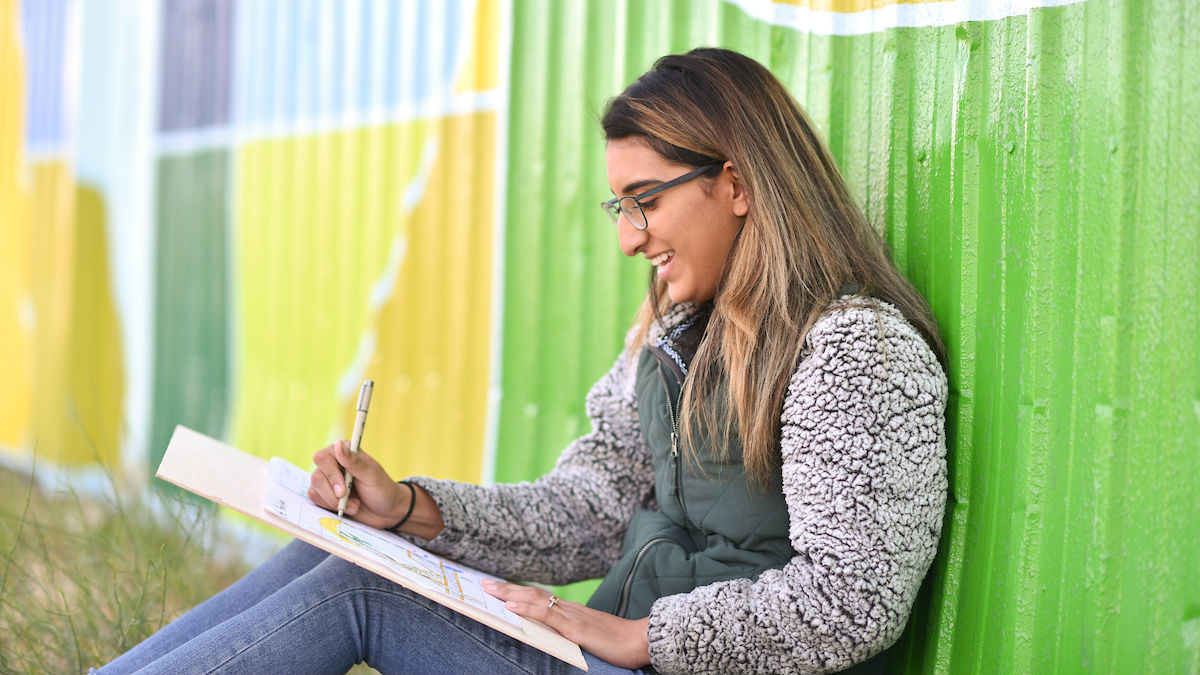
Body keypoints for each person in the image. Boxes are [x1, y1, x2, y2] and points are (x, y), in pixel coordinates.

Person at [97, 47, 947, 675]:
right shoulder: (675, 334)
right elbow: (589, 512)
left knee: (361, 596)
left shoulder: (853, 348)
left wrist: (644, 636)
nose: (628, 237)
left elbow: (851, 599)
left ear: (739, 182)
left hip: (660, 662)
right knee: (347, 551)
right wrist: (409, 512)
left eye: (647, 203)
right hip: (620, 654)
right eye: (622, 206)